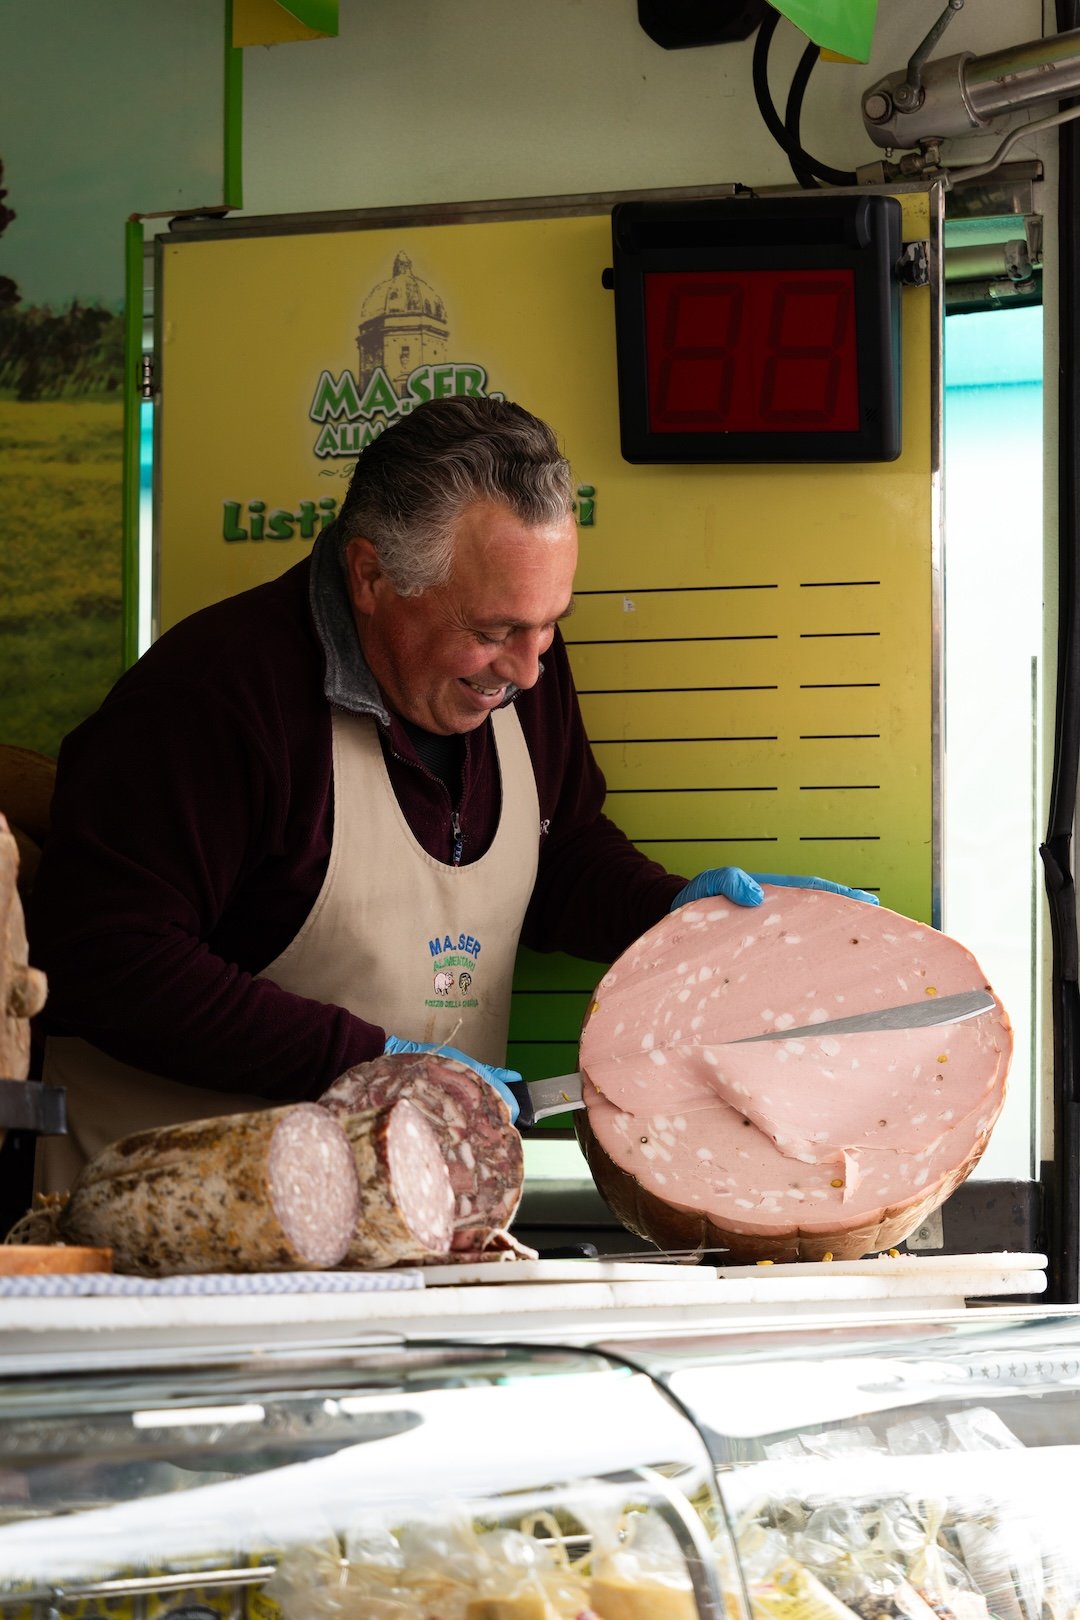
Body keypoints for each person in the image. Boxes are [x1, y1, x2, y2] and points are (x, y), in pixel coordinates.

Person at [29, 396, 874, 1188]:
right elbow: (108, 956)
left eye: (551, 626)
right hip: (169, 1226)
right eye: (495, 631)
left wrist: (673, 918)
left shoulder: (523, 661)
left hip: (409, 1216)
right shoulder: (213, 701)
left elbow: (558, 852)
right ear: (370, 578)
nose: (529, 668)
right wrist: (362, 1056)